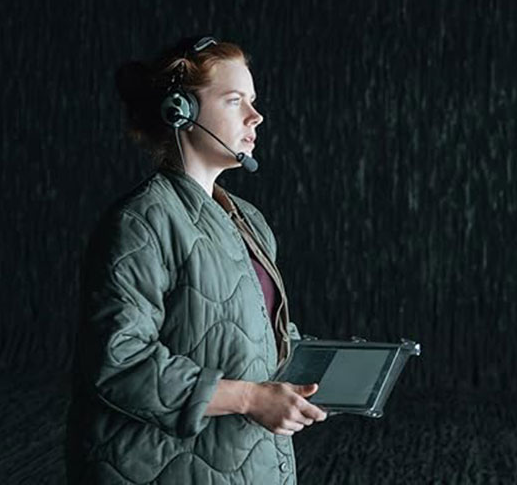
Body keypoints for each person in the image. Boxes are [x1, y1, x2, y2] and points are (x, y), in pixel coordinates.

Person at [68, 36, 326, 483]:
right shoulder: (140, 222)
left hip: (246, 462)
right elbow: (120, 363)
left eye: (253, 100)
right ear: (180, 112)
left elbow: (257, 335)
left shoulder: (249, 221)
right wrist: (249, 398)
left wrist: (316, 371)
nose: (255, 116)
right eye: (234, 100)